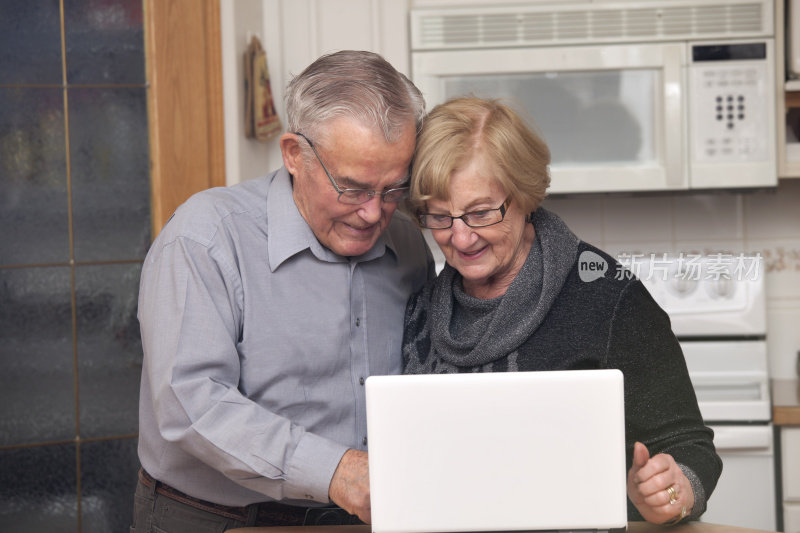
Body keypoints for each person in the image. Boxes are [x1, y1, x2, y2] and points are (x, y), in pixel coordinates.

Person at [131, 50, 433, 532]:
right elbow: (190, 402)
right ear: (295, 154)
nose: (375, 213)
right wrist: (335, 471)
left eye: (394, 188)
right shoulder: (206, 237)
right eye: (352, 188)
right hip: (218, 519)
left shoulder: (408, 244)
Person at [402, 97, 722, 525]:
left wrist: (674, 488)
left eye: (480, 213)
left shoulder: (607, 297)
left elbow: (690, 446)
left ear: (525, 195)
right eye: (440, 217)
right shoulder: (421, 306)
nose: (460, 239)